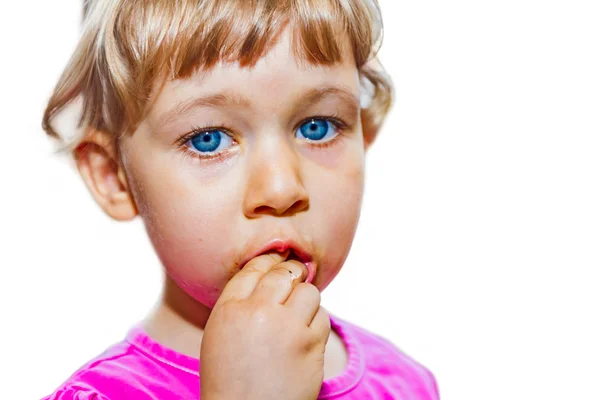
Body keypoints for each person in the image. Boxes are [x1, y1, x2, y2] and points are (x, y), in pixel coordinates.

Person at [41, 0, 439, 398]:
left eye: (317, 127)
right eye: (207, 139)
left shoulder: (407, 384)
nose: (282, 189)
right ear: (115, 177)